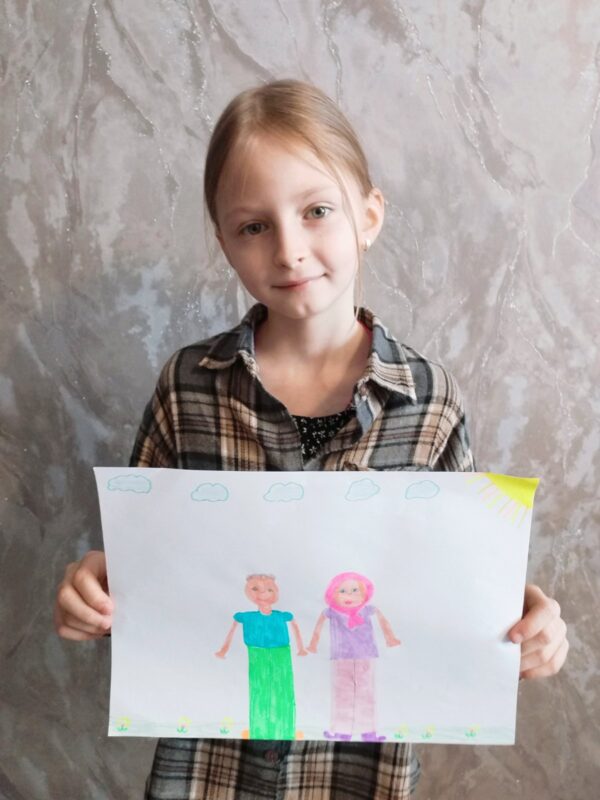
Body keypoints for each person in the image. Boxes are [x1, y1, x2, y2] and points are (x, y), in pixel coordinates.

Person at [54, 79, 569, 799]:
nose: (290, 250)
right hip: (207, 773)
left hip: (356, 774)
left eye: (316, 211)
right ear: (224, 243)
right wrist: (97, 590)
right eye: (253, 226)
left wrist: (526, 621)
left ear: (369, 216)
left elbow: (454, 585)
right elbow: (148, 575)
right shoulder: (187, 387)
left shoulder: (430, 402)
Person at [307, 572, 401, 742]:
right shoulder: (331, 612)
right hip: (341, 658)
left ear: (365, 593)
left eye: (355, 590)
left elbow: (383, 621)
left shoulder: (367, 610)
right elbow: (319, 625)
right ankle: (342, 731)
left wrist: (390, 638)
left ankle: (368, 731)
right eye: (342, 591)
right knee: (342, 694)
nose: (349, 595)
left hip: (365, 656)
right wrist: (313, 644)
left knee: (366, 693)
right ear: (332, 594)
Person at [215, 573, 307, 740]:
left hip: (281, 653)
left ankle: (285, 731)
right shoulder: (246, 617)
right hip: (256, 653)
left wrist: (301, 648)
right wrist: (224, 649)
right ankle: (259, 732)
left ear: (276, 592)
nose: (263, 593)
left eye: (269, 589)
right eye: (256, 589)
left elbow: (294, 625)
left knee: (283, 690)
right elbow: (233, 629)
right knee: (259, 691)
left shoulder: (281, 615)